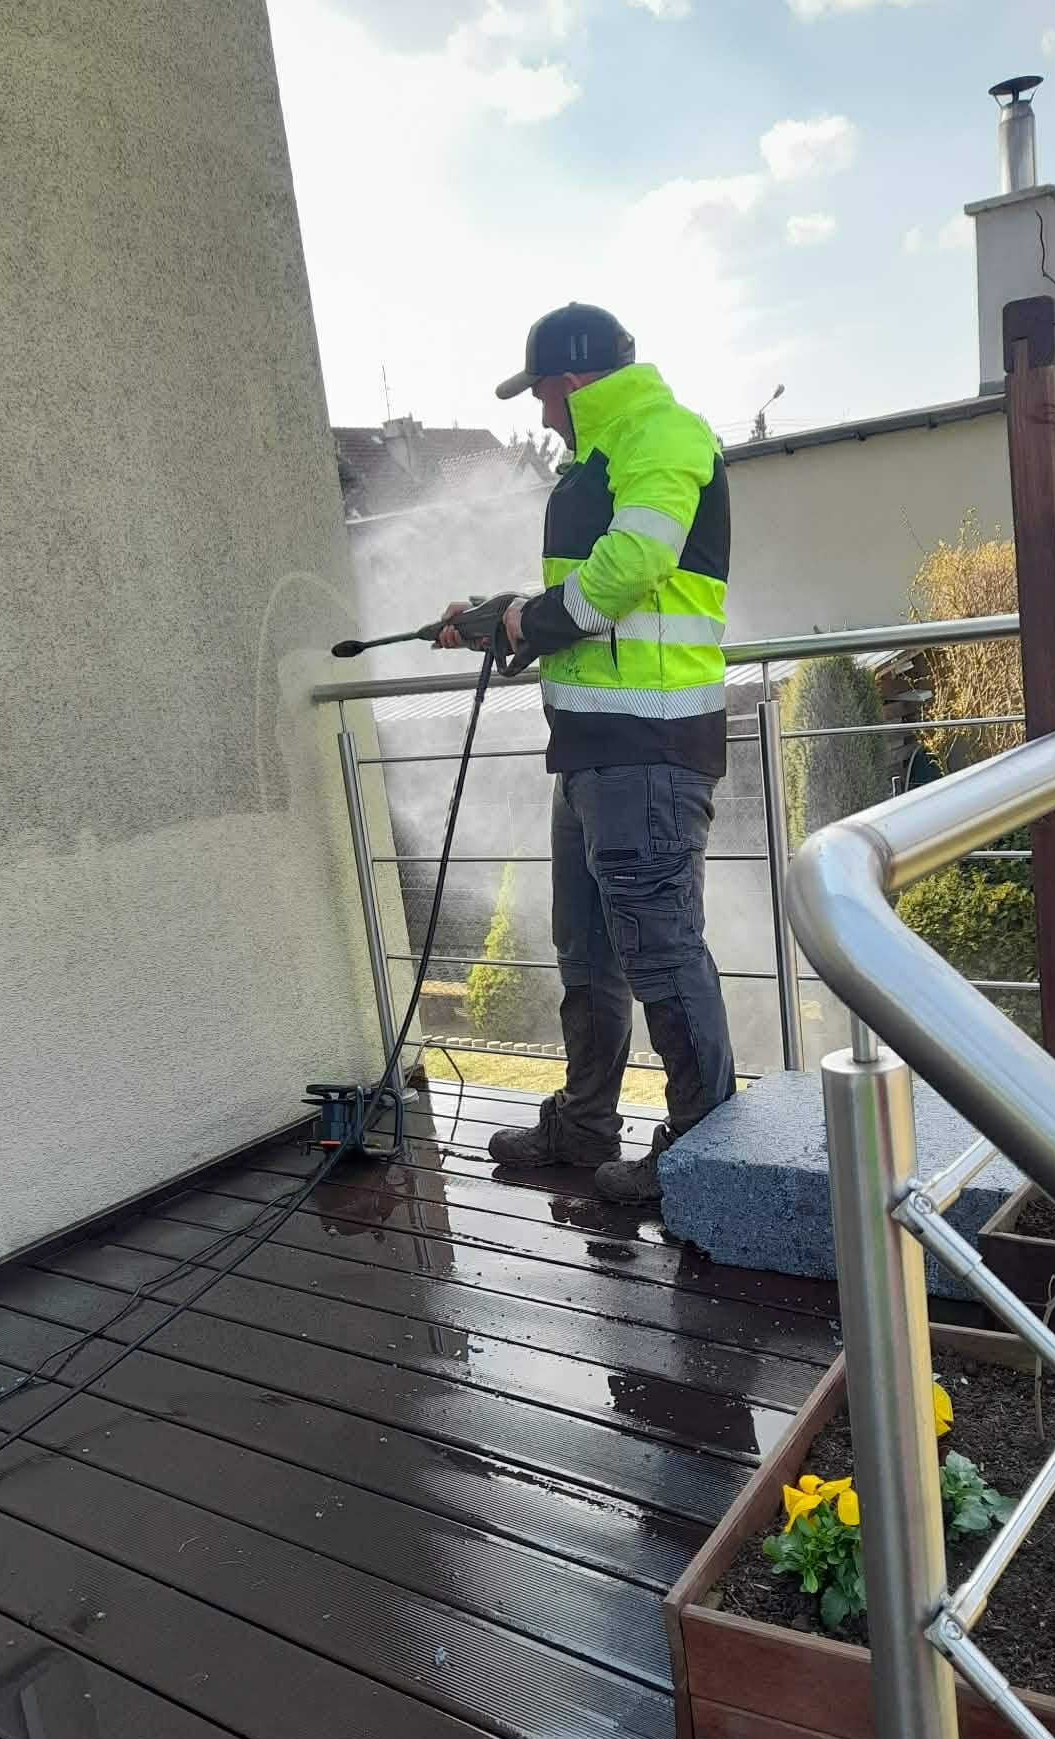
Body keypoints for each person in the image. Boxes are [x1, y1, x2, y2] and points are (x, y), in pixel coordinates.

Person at [439, 303, 735, 1204]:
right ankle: (585, 1122)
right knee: (588, 948)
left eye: (539, 394)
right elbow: (590, 596)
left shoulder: (663, 433)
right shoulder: (598, 461)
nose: (538, 413)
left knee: (660, 949)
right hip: (590, 749)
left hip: (649, 746)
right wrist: (507, 616)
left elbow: (633, 566)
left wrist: (535, 619)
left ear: (569, 382)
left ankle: (702, 1146)